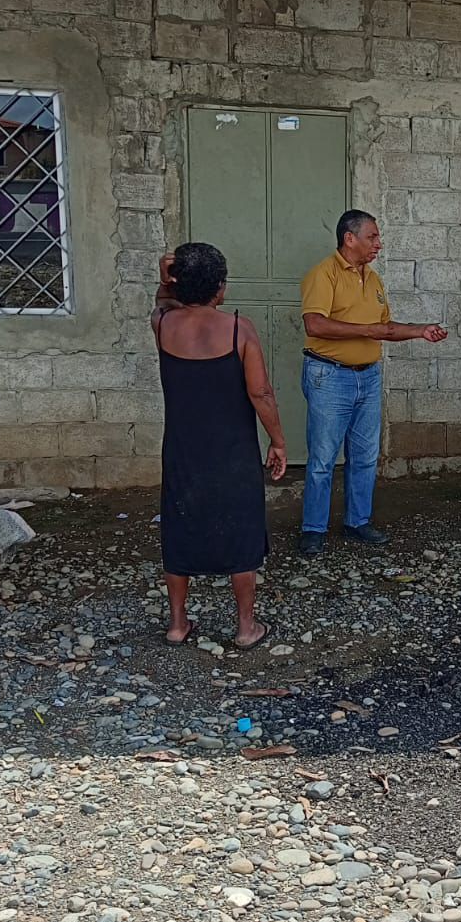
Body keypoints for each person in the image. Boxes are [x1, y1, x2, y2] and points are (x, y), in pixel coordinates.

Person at [153, 243, 287, 649]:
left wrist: (164, 279)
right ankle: (246, 627)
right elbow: (261, 393)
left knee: (180, 527)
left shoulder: (163, 324)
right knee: (241, 528)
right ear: (220, 288)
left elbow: (160, 303)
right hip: (232, 451)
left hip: (182, 450)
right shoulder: (238, 329)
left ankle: (178, 624)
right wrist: (278, 441)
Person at [298, 210, 447, 556]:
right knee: (322, 458)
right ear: (349, 238)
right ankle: (313, 528)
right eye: (372, 237)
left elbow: (386, 328)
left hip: (367, 376)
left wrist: (421, 331)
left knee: (365, 455)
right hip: (329, 375)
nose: (378, 244)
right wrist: (368, 331)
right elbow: (314, 325)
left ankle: (357, 521)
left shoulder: (374, 279)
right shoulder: (323, 274)